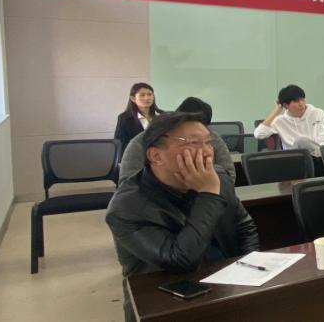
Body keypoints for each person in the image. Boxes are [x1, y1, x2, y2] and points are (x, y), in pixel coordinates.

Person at [105, 111, 258, 319]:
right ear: (156, 156)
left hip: (224, 284)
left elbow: (244, 226)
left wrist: (251, 272)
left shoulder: (218, 176)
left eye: (208, 143)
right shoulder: (126, 207)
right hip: (164, 300)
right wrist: (208, 194)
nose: (207, 152)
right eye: (193, 143)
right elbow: (181, 260)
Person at [118, 97, 236, 181]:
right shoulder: (142, 141)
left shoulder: (212, 137)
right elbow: (127, 181)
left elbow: (229, 174)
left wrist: (209, 189)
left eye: (203, 126)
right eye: (193, 141)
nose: (206, 150)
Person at [254, 85, 324, 156]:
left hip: (318, 157)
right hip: (293, 158)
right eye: (296, 101)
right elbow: (259, 134)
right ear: (285, 105)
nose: (301, 104)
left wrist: (321, 154)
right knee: (301, 141)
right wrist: (275, 112)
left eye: (302, 99)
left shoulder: (318, 113)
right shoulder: (280, 121)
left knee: (303, 141)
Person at [113, 82, 164, 155]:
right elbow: (120, 144)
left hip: (161, 156)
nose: (147, 98)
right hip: (137, 157)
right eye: (142, 95)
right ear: (133, 98)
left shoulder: (162, 115)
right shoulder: (125, 118)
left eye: (150, 94)